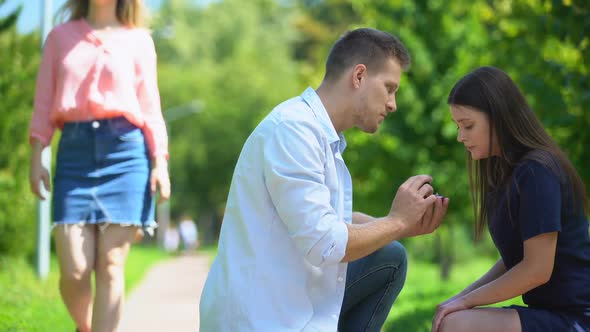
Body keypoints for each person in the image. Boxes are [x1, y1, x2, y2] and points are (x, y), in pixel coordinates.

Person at [200, 28, 449, 332]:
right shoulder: (293, 130)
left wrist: (404, 224)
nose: (393, 103)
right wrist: (396, 222)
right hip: (260, 320)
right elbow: (325, 242)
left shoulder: (321, 136)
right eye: (389, 88)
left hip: (286, 307)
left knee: (390, 255)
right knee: (388, 253)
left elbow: (334, 221)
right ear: (359, 76)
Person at [28, 1, 170, 331]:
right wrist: (37, 157)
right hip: (74, 155)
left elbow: (150, 107)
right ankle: (85, 326)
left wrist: (159, 163)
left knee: (110, 264)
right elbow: (43, 101)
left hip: (126, 154)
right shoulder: (59, 38)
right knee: (74, 270)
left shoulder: (140, 41)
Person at [432, 66, 590, 332]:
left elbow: (537, 269)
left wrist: (466, 301)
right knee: (451, 317)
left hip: (577, 319)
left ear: (499, 117)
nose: (461, 137)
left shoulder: (537, 171)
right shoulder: (506, 174)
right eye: (458, 127)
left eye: (468, 126)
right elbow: (515, 258)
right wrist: (458, 299)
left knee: (457, 325)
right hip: (546, 313)